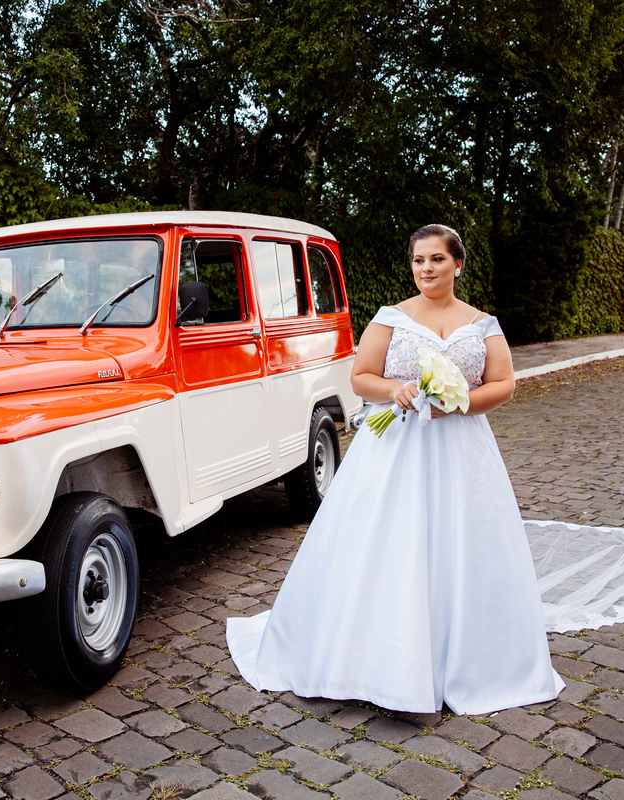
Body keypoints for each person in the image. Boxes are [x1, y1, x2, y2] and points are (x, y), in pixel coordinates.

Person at [226, 224, 564, 715]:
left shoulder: (483, 323)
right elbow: (361, 377)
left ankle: (467, 655)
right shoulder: (391, 317)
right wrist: (395, 391)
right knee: (387, 538)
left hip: (462, 447)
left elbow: (505, 384)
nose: (426, 269)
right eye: (418, 261)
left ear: (458, 265)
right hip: (396, 446)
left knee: (462, 540)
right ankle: (372, 656)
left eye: (437, 260)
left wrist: (462, 402)